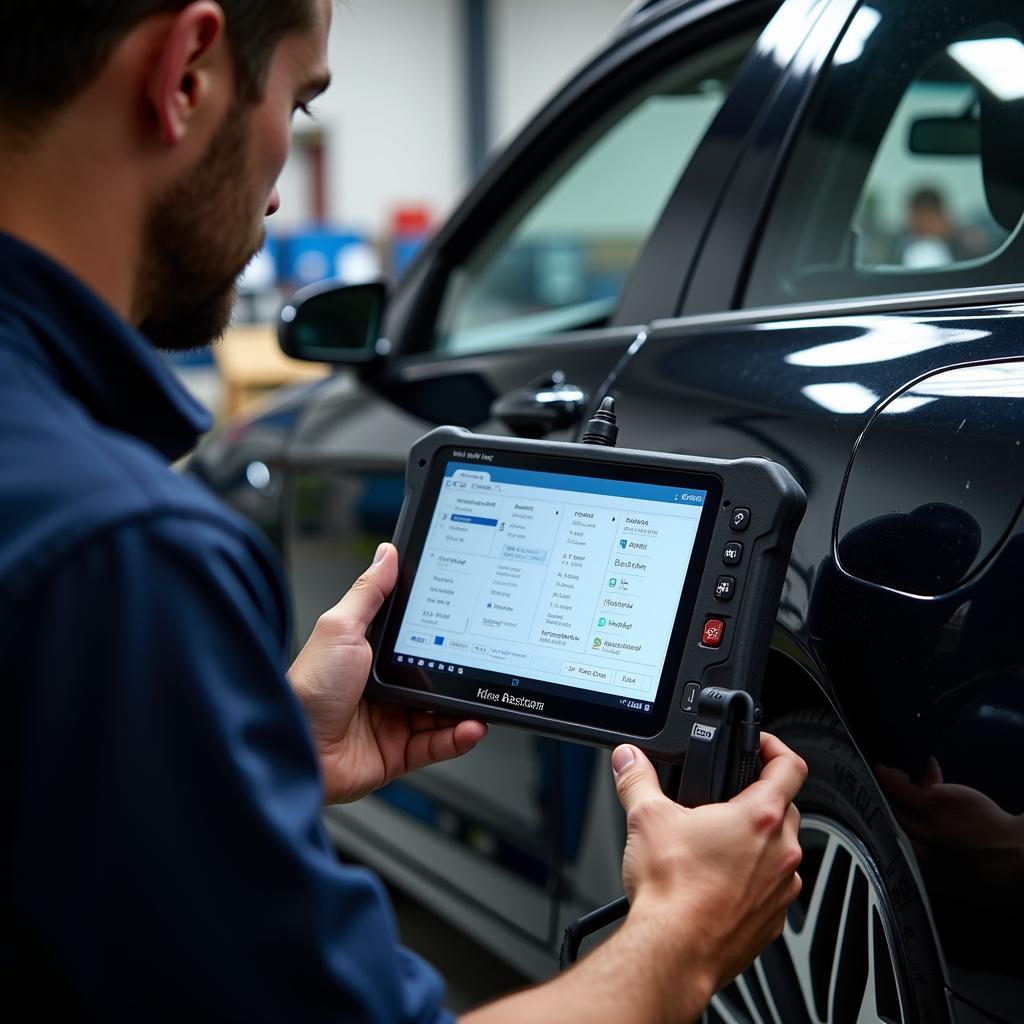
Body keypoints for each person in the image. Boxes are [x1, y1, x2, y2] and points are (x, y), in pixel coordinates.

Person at [0, 2, 806, 1020]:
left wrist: (256, 748)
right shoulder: (117, 555)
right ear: (187, 74)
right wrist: (683, 935)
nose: (281, 189)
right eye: (296, 102)